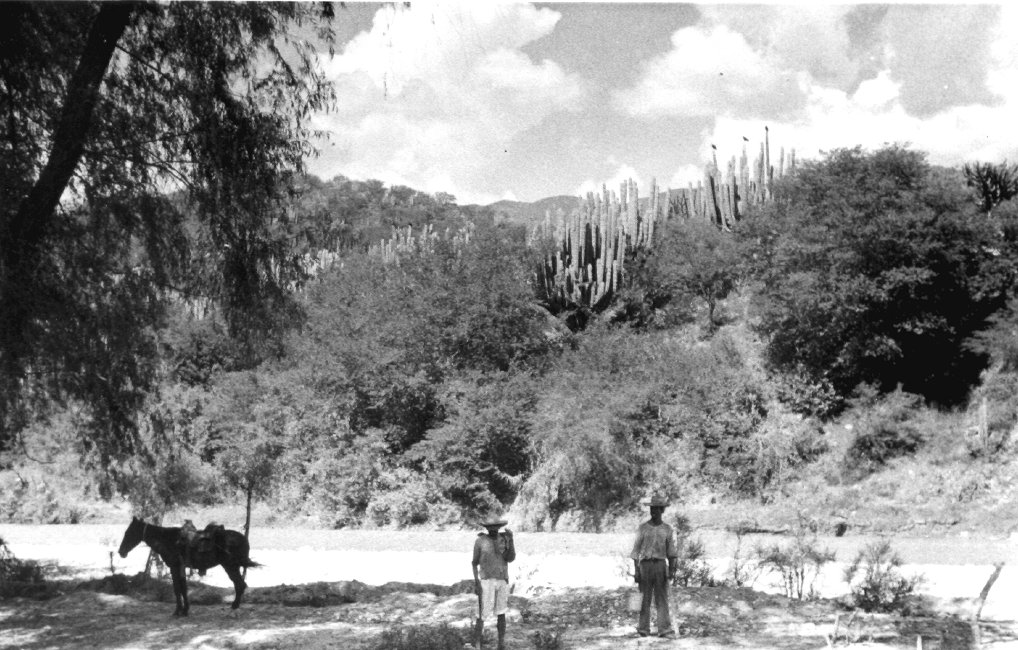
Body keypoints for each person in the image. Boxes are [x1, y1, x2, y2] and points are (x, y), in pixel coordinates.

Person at [630, 495, 678, 638]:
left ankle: (664, 629)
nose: (654, 511)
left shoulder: (667, 529)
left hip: (660, 566)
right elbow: (635, 551)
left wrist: (672, 570)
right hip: (645, 566)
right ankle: (643, 629)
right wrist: (637, 570)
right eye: (652, 508)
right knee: (643, 598)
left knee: (661, 598)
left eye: (657, 509)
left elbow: (672, 553)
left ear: (662, 510)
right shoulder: (643, 528)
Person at [472, 515, 516, 650]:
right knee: (481, 614)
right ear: (487, 528)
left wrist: (511, 540)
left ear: (499, 528)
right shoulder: (480, 541)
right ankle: (478, 644)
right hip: (486, 580)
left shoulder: (504, 539)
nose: (493, 530)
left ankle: (500, 643)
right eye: (491, 528)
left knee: (501, 612)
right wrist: (477, 583)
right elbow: (474, 563)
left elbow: (510, 558)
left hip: (502, 579)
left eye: (496, 528)